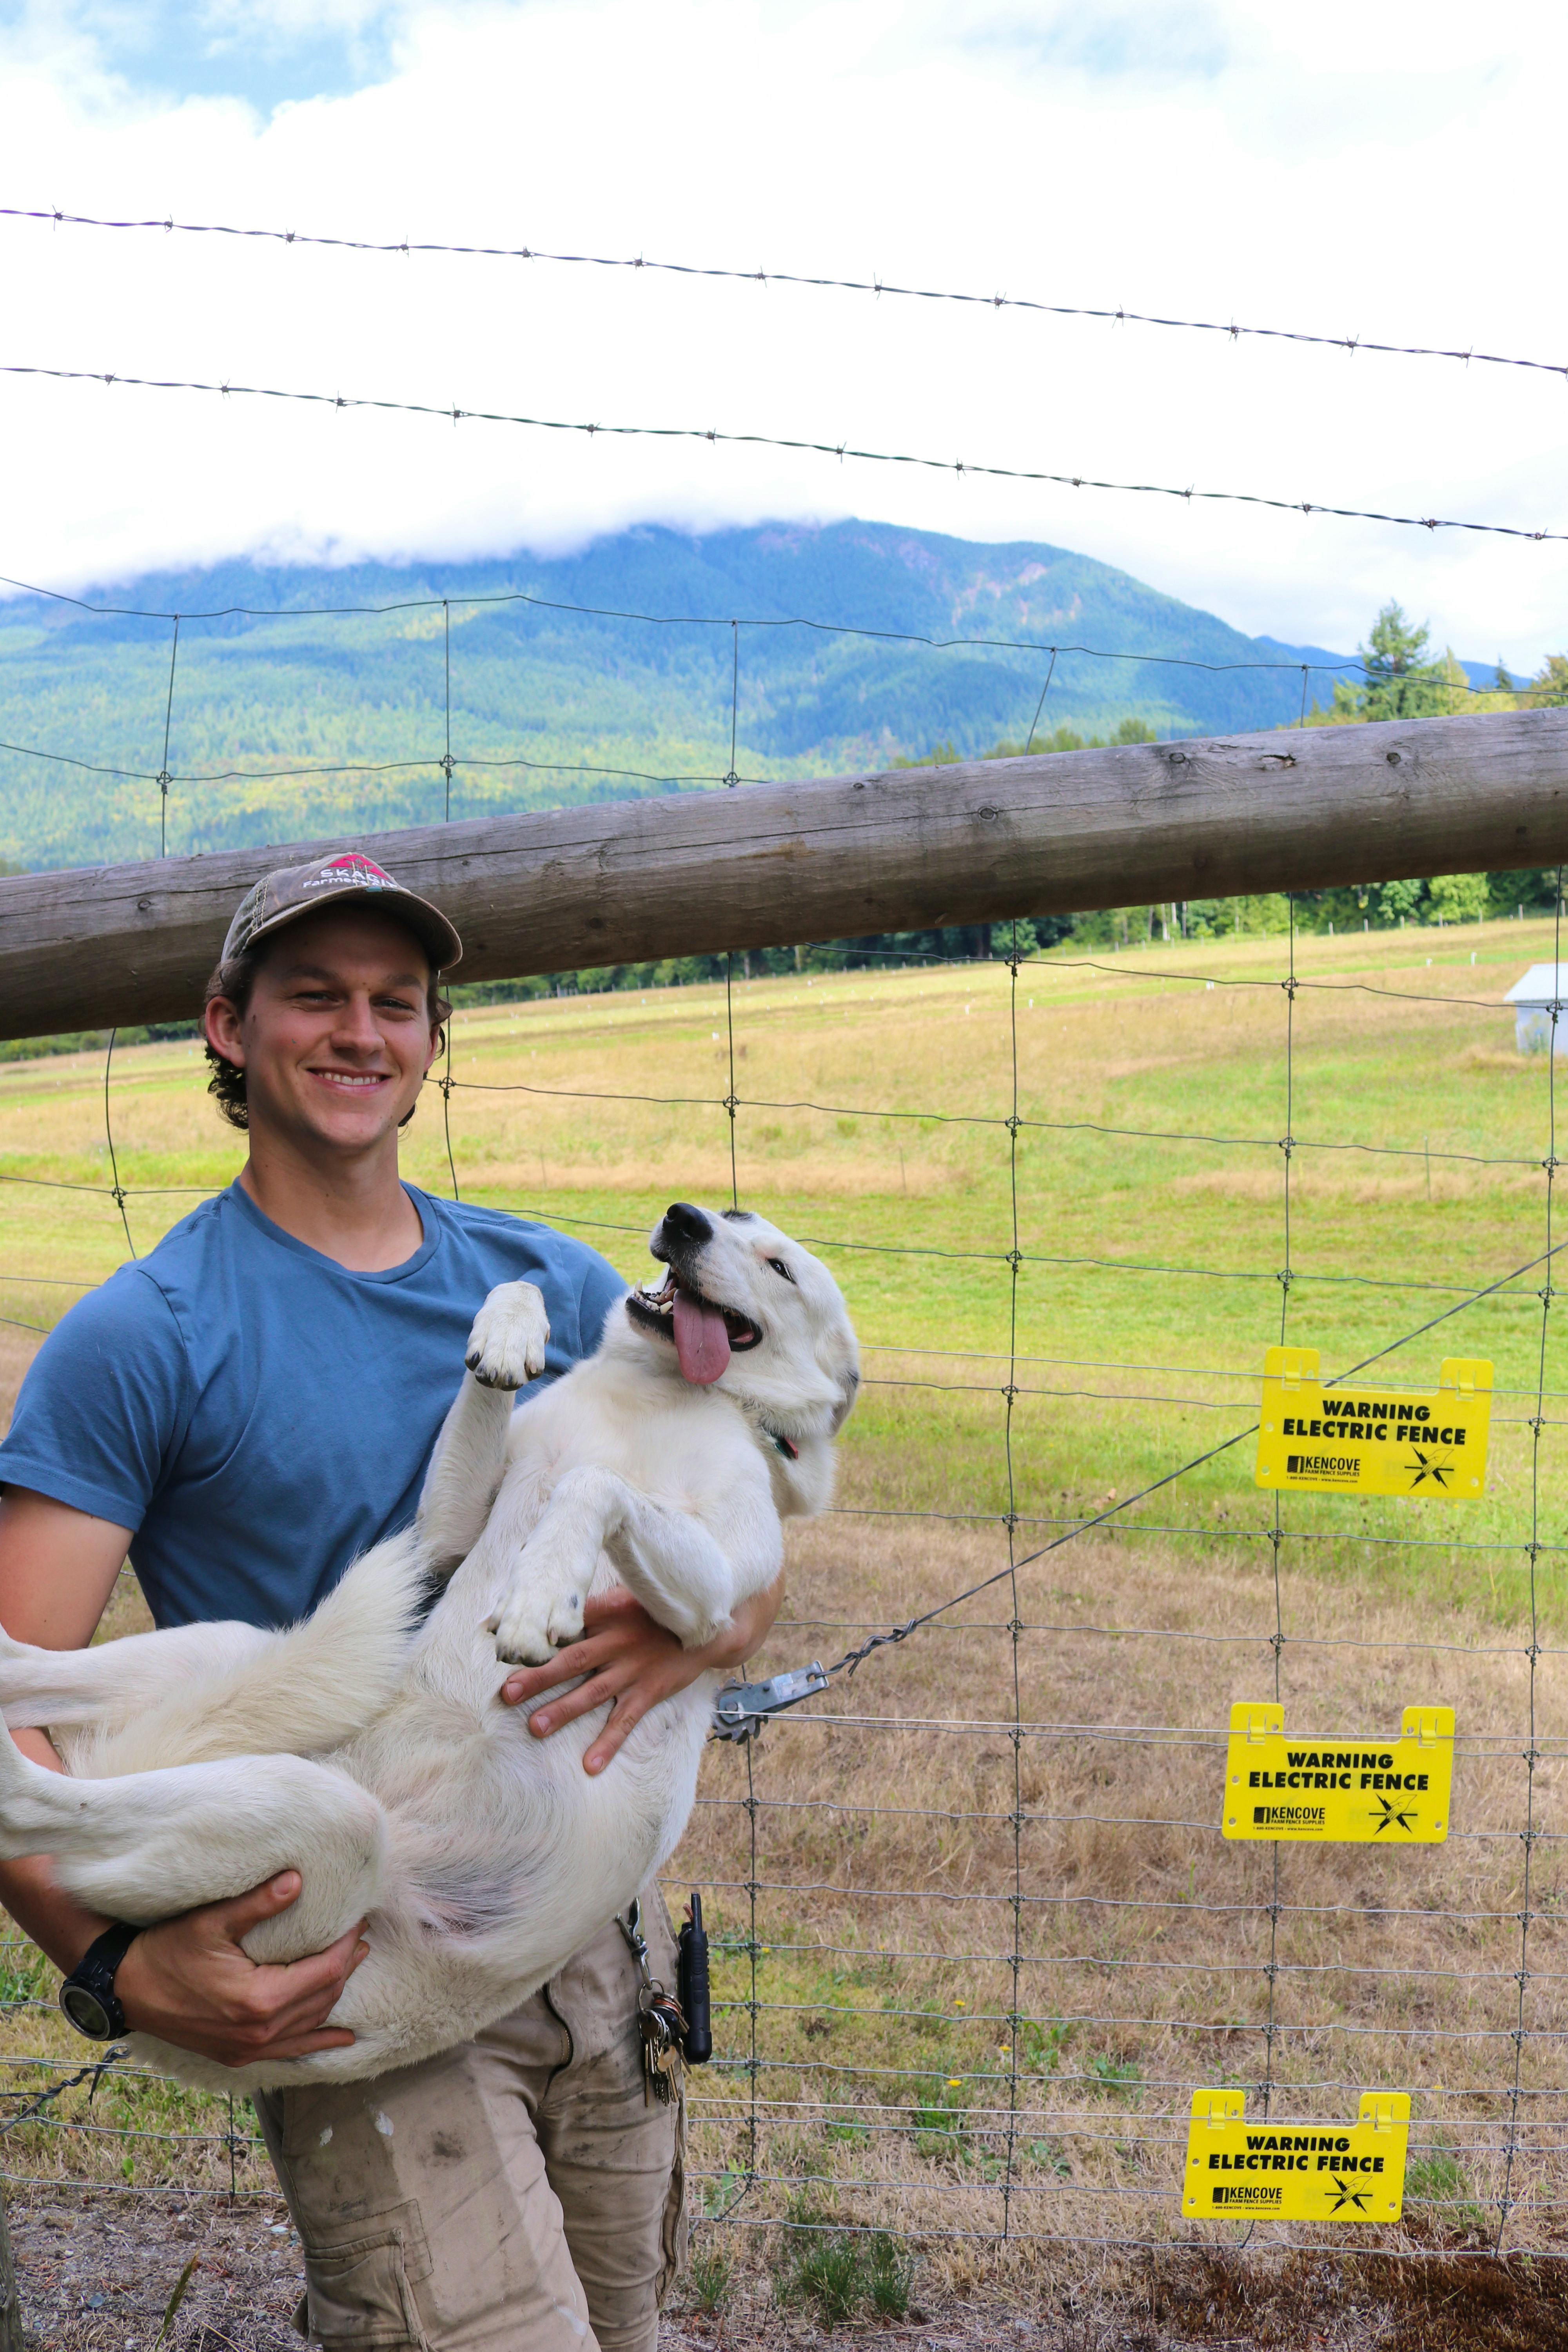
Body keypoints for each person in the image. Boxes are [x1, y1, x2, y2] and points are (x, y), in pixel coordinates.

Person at [0, 849, 782, 2352]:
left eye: (396, 1003)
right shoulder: (143, 1339)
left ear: (431, 1044)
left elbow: (739, 1491)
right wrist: (110, 1969)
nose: (361, 1032)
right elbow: (18, 1711)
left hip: (591, 1945)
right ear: (228, 1029)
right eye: (315, 997)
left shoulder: (554, 1282)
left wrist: (731, 1624)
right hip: (361, 1967)